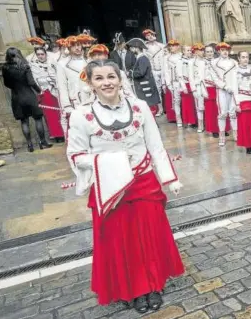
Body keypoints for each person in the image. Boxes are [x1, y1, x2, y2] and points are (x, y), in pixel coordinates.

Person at [66, 59, 184, 313]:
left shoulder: (140, 107)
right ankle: (134, 289)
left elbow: (155, 146)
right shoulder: (80, 116)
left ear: (120, 79)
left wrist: (169, 178)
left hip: (144, 183)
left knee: (149, 236)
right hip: (111, 188)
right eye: (99, 78)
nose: (106, 82)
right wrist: (111, 162)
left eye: (111, 76)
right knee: (122, 241)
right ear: (90, 83)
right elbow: (75, 155)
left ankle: (153, 284)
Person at [2, 47, 53, 152]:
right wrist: (39, 91)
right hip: (29, 96)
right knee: (38, 119)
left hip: (16, 97)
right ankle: (42, 142)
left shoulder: (5, 68)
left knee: (24, 121)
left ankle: (30, 145)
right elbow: (31, 82)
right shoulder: (25, 66)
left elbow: (6, 84)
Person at [30, 47, 65, 142]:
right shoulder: (34, 66)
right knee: (50, 116)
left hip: (55, 91)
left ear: (46, 54)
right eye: (38, 54)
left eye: (42, 54)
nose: (41, 56)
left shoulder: (52, 63)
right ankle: (56, 135)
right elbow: (35, 80)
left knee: (59, 114)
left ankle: (63, 134)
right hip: (44, 93)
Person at [56, 35, 88, 136]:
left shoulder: (88, 61)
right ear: (68, 48)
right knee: (79, 129)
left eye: (79, 45)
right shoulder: (62, 64)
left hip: (91, 99)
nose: (77, 48)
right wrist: (66, 105)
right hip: (75, 101)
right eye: (74, 46)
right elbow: (62, 86)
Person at [211, 42, 239, 146]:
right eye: (222, 50)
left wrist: (235, 88)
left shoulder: (234, 62)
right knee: (222, 113)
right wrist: (224, 86)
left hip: (233, 90)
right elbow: (214, 77)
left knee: (233, 113)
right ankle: (222, 136)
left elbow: (238, 76)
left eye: (226, 50)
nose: (225, 52)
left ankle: (236, 134)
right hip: (222, 90)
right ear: (218, 51)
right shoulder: (214, 62)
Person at [126, 38, 162, 116]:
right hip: (143, 89)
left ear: (137, 48)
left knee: (150, 110)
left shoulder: (143, 58)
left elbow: (141, 73)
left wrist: (130, 73)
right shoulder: (140, 58)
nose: (131, 50)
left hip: (146, 89)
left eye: (132, 47)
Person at [202, 44, 224, 138]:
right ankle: (214, 129)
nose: (210, 53)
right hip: (208, 87)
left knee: (221, 108)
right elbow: (200, 77)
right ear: (204, 53)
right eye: (207, 52)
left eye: (211, 51)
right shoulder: (201, 63)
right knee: (211, 110)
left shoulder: (217, 62)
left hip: (218, 87)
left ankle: (223, 128)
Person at [143, 29, 165, 116]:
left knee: (166, 89)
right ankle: (160, 109)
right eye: (147, 36)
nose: (150, 37)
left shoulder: (162, 46)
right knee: (157, 90)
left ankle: (168, 108)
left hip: (163, 70)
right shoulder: (145, 48)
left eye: (151, 35)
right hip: (154, 71)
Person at [188, 43, 208, 133]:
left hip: (206, 86)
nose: (202, 52)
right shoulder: (191, 62)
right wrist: (193, 89)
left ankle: (208, 123)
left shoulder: (206, 61)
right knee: (199, 106)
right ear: (195, 51)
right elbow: (190, 76)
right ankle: (200, 124)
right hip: (198, 85)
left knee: (207, 105)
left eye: (202, 50)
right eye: (200, 50)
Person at [163, 39, 183, 126]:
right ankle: (178, 118)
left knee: (186, 100)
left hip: (183, 81)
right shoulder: (166, 58)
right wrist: (168, 83)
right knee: (176, 100)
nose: (171, 47)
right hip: (174, 82)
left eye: (173, 45)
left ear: (178, 46)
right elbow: (165, 72)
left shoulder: (182, 56)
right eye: (170, 46)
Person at [178, 45, 198, 128]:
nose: (189, 52)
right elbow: (179, 75)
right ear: (183, 51)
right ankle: (190, 121)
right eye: (187, 50)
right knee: (188, 104)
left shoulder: (193, 60)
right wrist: (183, 87)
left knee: (195, 103)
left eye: (190, 50)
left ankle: (196, 120)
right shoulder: (179, 61)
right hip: (185, 83)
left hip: (193, 82)